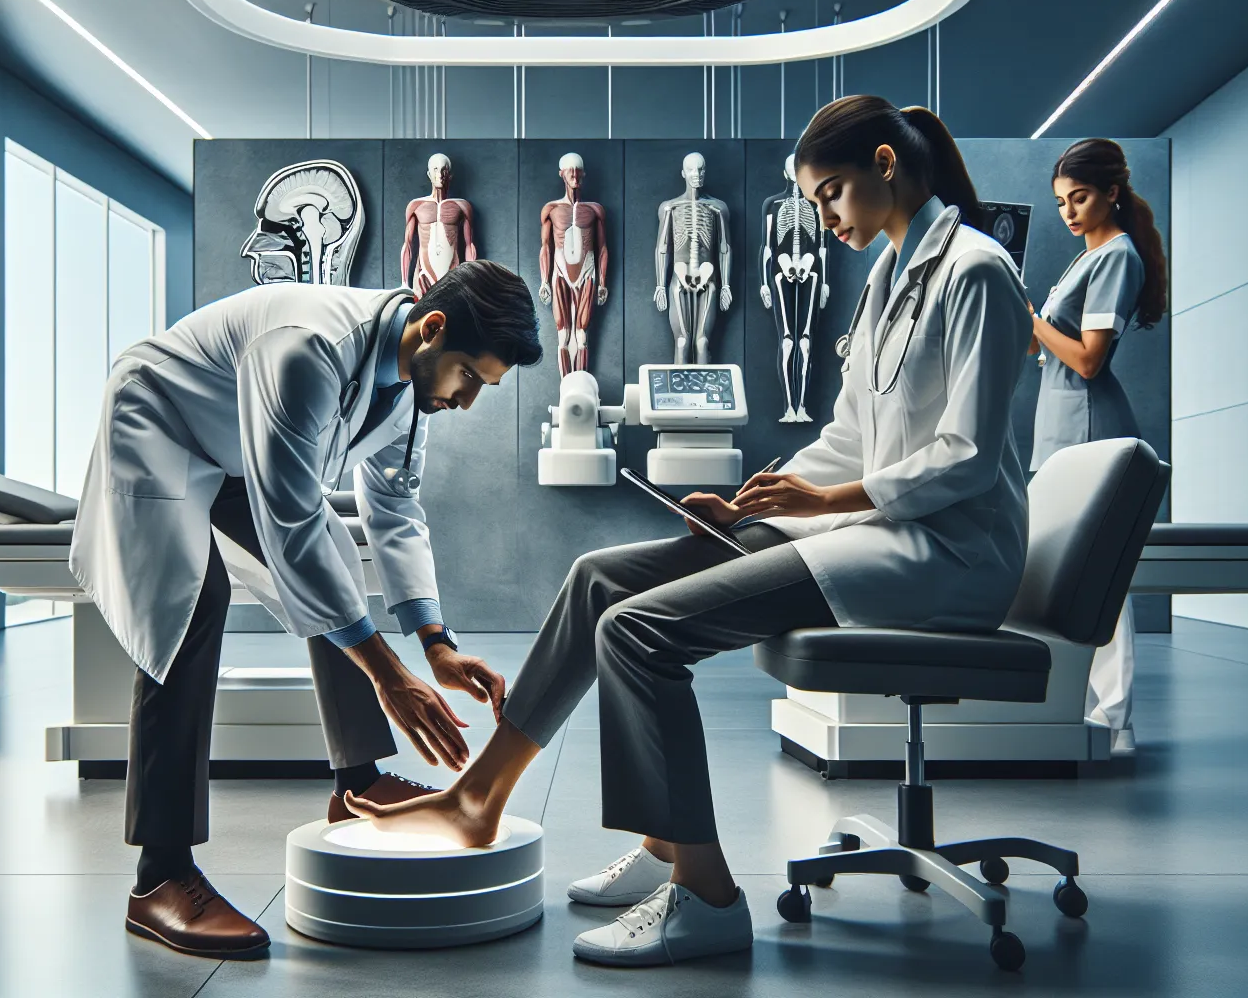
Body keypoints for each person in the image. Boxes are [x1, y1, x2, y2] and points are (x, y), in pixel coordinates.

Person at [348, 95, 1033, 968]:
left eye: (830, 196)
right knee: (601, 578)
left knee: (638, 633)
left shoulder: (974, 270)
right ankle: (485, 796)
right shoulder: (889, 279)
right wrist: (761, 502)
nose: (824, 220)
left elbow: (967, 458)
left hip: (946, 556)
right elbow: (851, 438)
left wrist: (823, 506)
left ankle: (705, 895)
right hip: (869, 532)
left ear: (886, 167)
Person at [69, 260, 540, 959]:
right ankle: (159, 878)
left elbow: (396, 507)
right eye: (470, 377)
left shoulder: (416, 382)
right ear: (433, 328)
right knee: (189, 607)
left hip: (233, 447)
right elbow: (290, 523)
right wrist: (386, 673)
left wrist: (434, 642)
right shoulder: (306, 348)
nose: (468, 400)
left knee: (339, 569)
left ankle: (357, 783)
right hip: (161, 425)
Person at [1026, 138, 1169, 757]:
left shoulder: (1115, 257)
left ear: (1111, 190)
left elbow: (1087, 360)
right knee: (1068, 574)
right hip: (1058, 427)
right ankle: (1085, 708)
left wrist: (1031, 320)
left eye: (1079, 198)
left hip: (1088, 426)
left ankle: (1115, 716)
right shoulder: (1084, 260)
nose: (1068, 212)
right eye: (1061, 203)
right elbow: (1048, 350)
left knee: (1099, 576)